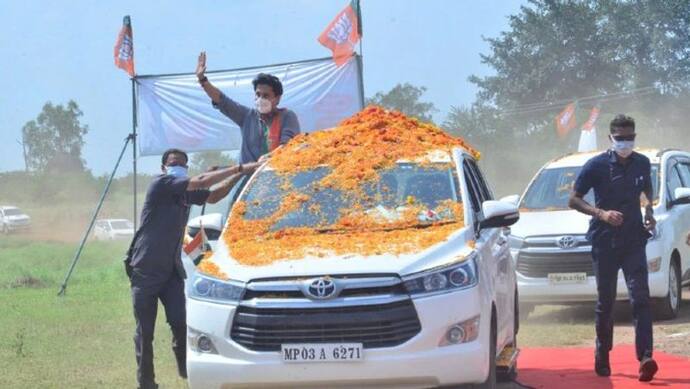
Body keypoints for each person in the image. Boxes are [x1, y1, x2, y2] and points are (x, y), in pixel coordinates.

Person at [124, 148, 260, 389]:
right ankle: (146, 384)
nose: (178, 166)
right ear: (164, 168)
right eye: (174, 162)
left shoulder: (185, 194)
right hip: (145, 268)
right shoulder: (161, 184)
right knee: (145, 332)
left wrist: (238, 177)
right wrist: (241, 167)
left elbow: (213, 195)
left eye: (182, 164)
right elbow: (201, 181)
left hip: (171, 271)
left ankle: (187, 375)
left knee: (180, 323)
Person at [568, 114, 658, 382]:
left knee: (640, 298)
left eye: (629, 137)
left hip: (634, 240)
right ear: (610, 138)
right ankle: (602, 351)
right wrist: (600, 213)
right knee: (605, 302)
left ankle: (646, 357)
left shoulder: (642, 163)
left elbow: (646, 192)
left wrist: (650, 210)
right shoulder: (595, 166)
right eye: (620, 138)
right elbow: (573, 199)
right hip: (604, 240)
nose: (625, 142)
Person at [195, 51, 300, 163]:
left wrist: (270, 158)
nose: (261, 99)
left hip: (276, 174)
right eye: (258, 94)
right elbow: (221, 100)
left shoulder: (287, 116)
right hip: (248, 176)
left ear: (277, 98)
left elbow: (288, 145)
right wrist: (202, 79)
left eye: (266, 95)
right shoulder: (247, 116)